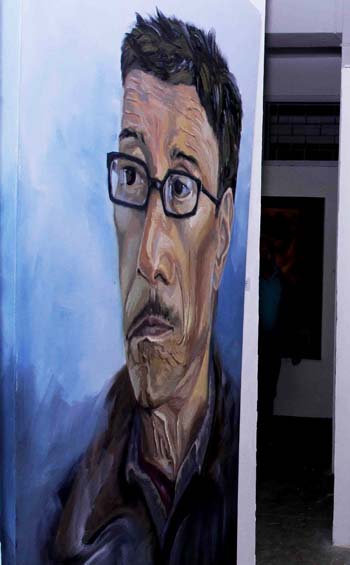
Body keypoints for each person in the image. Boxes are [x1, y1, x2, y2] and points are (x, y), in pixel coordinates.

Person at [50, 12, 242, 564]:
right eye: (131, 176)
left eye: (181, 188)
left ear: (221, 234)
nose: (149, 259)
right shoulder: (69, 511)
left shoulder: (242, 454)